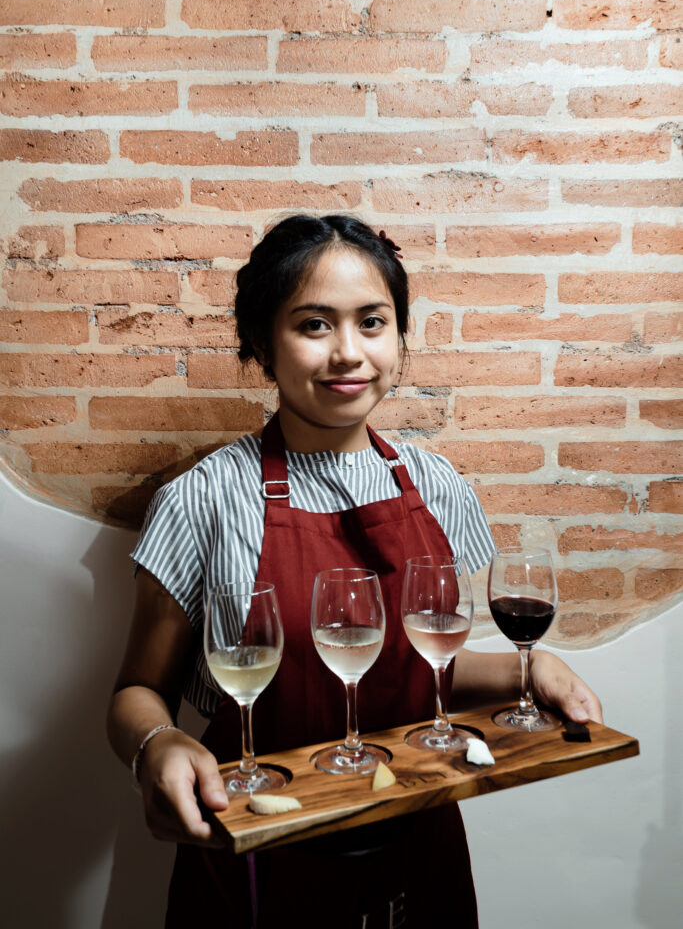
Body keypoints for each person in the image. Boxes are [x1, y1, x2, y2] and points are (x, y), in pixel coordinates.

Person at [107, 214, 602, 928]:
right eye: (313, 325)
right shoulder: (203, 499)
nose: (348, 353)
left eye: (372, 322)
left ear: (398, 335)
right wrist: (159, 743)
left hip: (417, 831)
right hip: (256, 853)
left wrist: (532, 670)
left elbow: (418, 667)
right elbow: (135, 691)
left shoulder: (436, 486)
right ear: (260, 344)